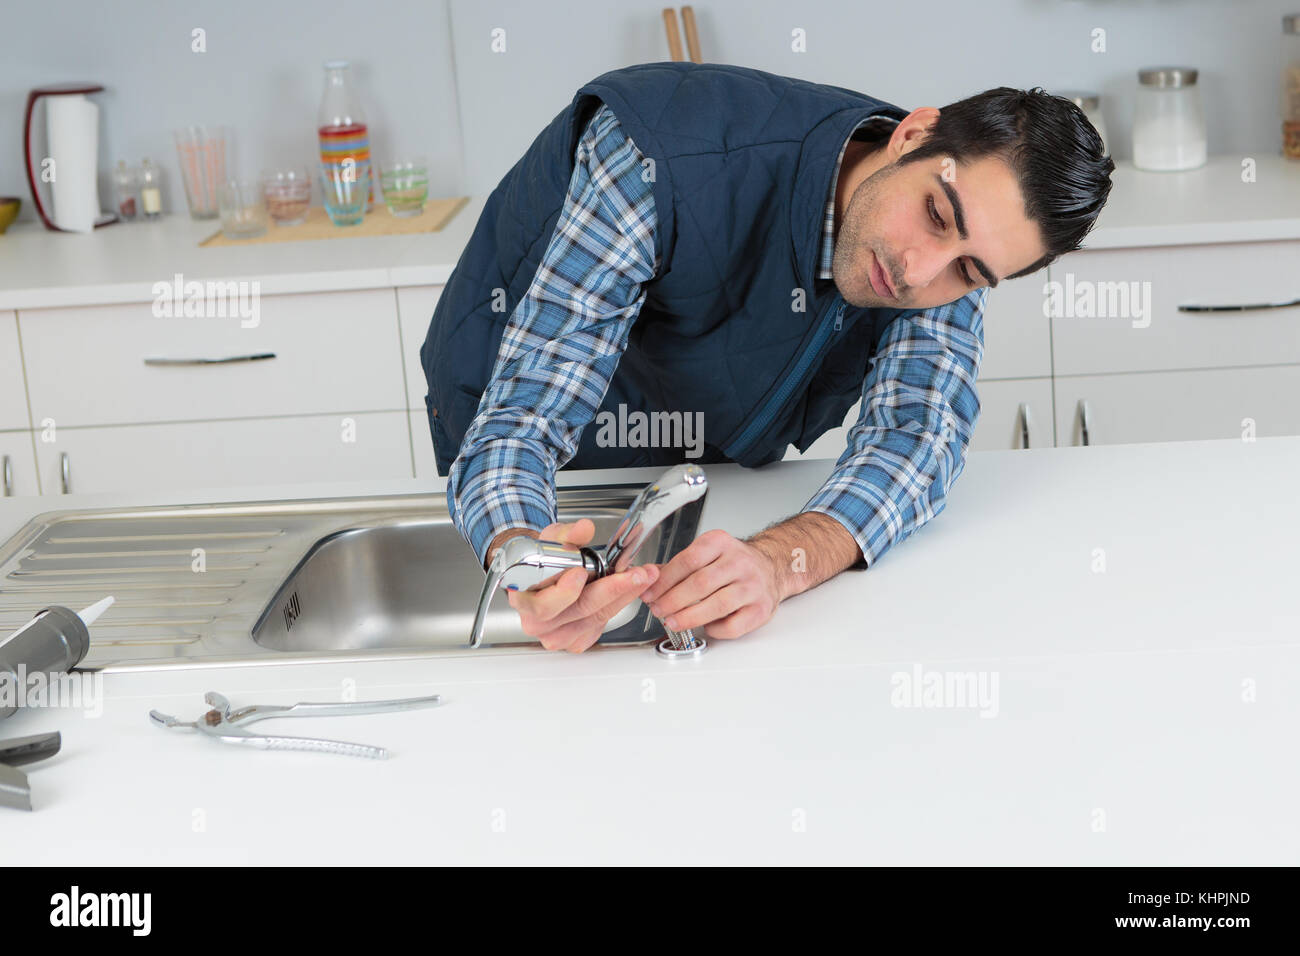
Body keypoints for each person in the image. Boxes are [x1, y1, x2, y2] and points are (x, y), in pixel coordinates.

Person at [420, 61, 1113, 653]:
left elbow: (918, 434)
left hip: (701, 450)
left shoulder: (957, 250)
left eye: (970, 271)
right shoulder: (652, 155)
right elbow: (520, 420)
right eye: (935, 215)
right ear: (912, 134)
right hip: (537, 444)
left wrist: (779, 562)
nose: (917, 272)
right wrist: (529, 560)